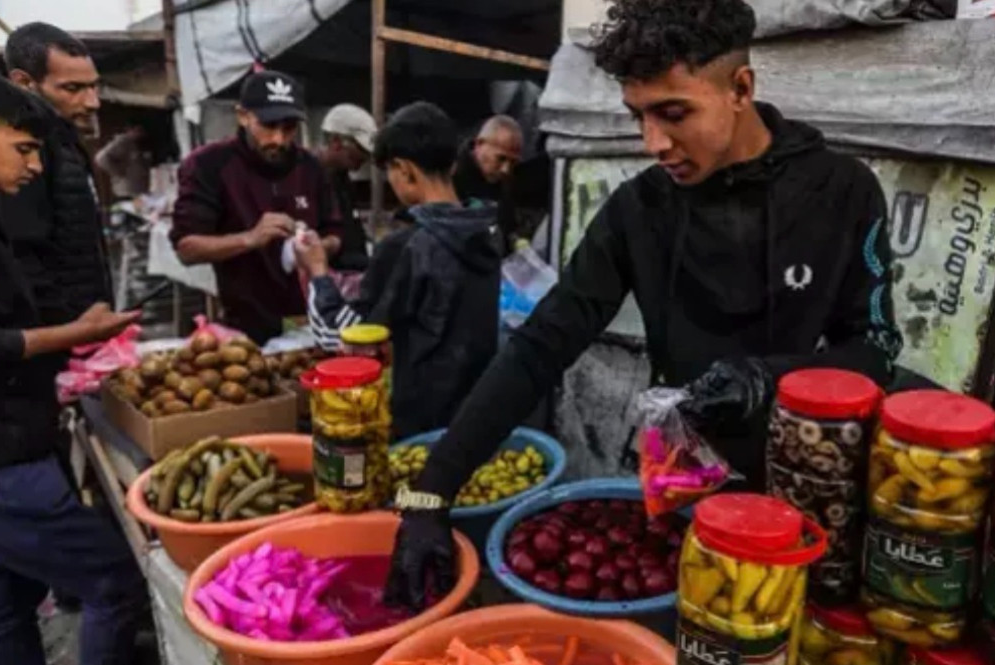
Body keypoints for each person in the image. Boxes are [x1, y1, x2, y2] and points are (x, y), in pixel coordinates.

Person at [384, 0, 902, 610]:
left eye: (673, 113)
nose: (653, 142)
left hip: (807, 501)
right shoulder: (640, 210)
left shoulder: (841, 192)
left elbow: (875, 349)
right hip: (683, 492)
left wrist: (767, 377)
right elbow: (542, 341)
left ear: (740, 88)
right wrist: (432, 490)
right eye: (638, 117)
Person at [0, 76, 152, 665]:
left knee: (3, 613)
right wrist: (77, 333)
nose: (35, 166)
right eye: (25, 148)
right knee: (115, 575)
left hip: (14, 435)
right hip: (4, 456)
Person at [298, 102, 501, 438]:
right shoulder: (487, 231)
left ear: (404, 170)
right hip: (476, 423)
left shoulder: (407, 247)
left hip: (423, 428)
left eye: (390, 173)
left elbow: (340, 340)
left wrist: (318, 271)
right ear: (452, 165)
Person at [172, 70, 343, 343]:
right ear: (243, 116)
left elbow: (335, 232)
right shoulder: (208, 165)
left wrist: (318, 248)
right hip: (244, 327)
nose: (278, 139)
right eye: (268, 125)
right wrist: (250, 238)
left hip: (310, 323)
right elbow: (186, 249)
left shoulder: (310, 167)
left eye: (288, 128)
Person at [0, 22, 111, 332]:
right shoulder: (21, 155)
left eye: (93, 86)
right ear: (24, 83)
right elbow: (22, 254)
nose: (92, 102)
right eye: (73, 88)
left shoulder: (65, 142)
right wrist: (63, 332)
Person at [316, 103, 376, 271]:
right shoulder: (309, 178)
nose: (365, 157)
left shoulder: (342, 179)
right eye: (360, 149)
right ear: (336, 142)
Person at [453, 115, 522, 246]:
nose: (505, 169)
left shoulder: (504, 183)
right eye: (501, 158)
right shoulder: (450, 173)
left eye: (513, 162)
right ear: (479, 144)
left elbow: (508, 229)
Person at [95, 122, 151, 199]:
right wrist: (118, 172)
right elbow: (101, 158)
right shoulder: (123, 141)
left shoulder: (135, 143)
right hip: (127, 190)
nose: (141, 133)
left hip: (137, 190)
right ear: (130, 129)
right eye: (138, 130)